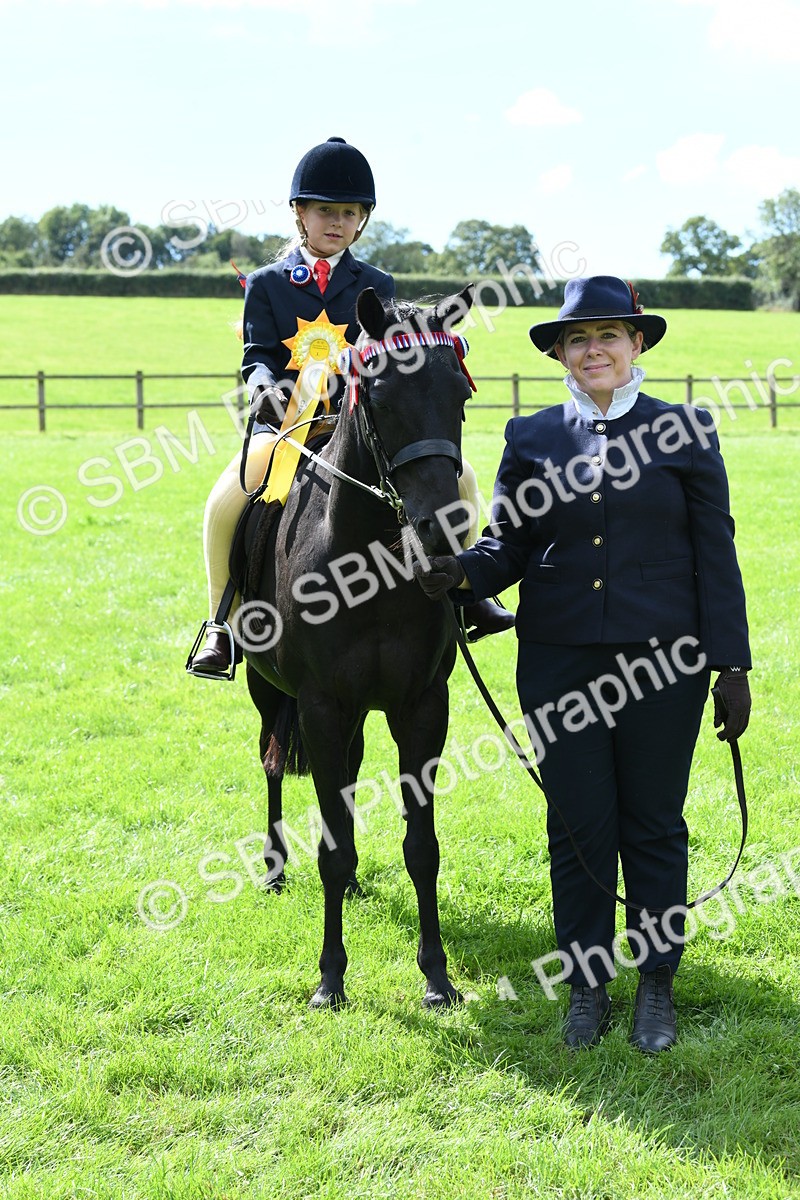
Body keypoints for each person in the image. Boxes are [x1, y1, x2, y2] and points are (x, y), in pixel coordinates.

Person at [415, 275, 752, 1052]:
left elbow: (717, 556)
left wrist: (730, 666)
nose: (593, 349)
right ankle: (586, 987)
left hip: (666, 665)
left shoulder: (687, 430)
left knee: (655, 826)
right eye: (577, 339)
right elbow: (511, 546)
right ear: (561, 354)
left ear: (637, 345)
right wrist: (461, 573)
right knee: (576, 827)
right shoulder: (530, 438)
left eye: (608, 336)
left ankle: (656, 985)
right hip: (560, 663)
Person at [189, 136, 513, 676]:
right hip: (288, 426)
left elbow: (392, 351)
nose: (336, 222)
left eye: (349, 213)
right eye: (325, 211)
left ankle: (466, 592)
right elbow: (256, 356)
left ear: (362, 221)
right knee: (225, 499)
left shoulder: (377, 284)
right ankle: (221, 624)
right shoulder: (268, 284)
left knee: (462, 481)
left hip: (360, 424)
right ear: (300, 214)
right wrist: (264, 387)